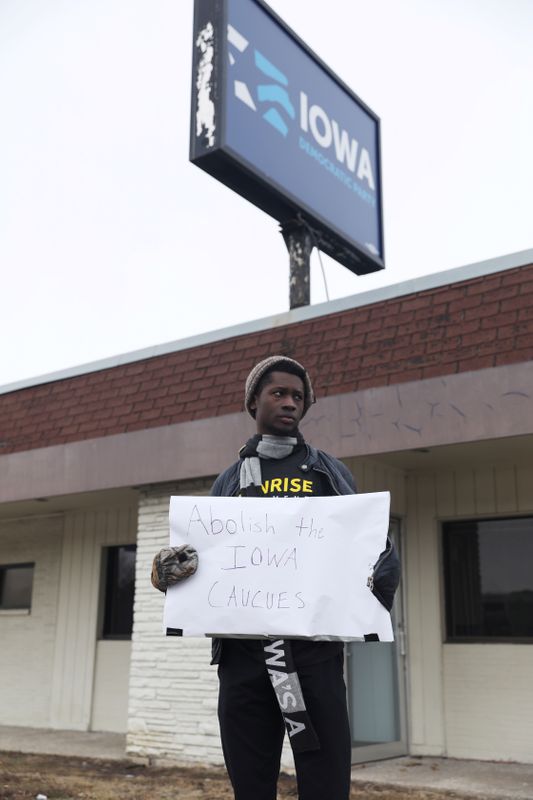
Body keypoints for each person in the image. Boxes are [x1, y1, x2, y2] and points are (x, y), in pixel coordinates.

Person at [151, 355, 400, 800]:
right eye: (278, 393)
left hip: (313, 658)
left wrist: (378, 588)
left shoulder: (327, 470)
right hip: (242, 662)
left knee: (325, 784)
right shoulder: (229, 482)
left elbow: (370, 544)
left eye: (298, 396)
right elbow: (204, 561)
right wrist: (169, 574)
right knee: (250, 784)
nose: (289, 402)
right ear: (254, 402)